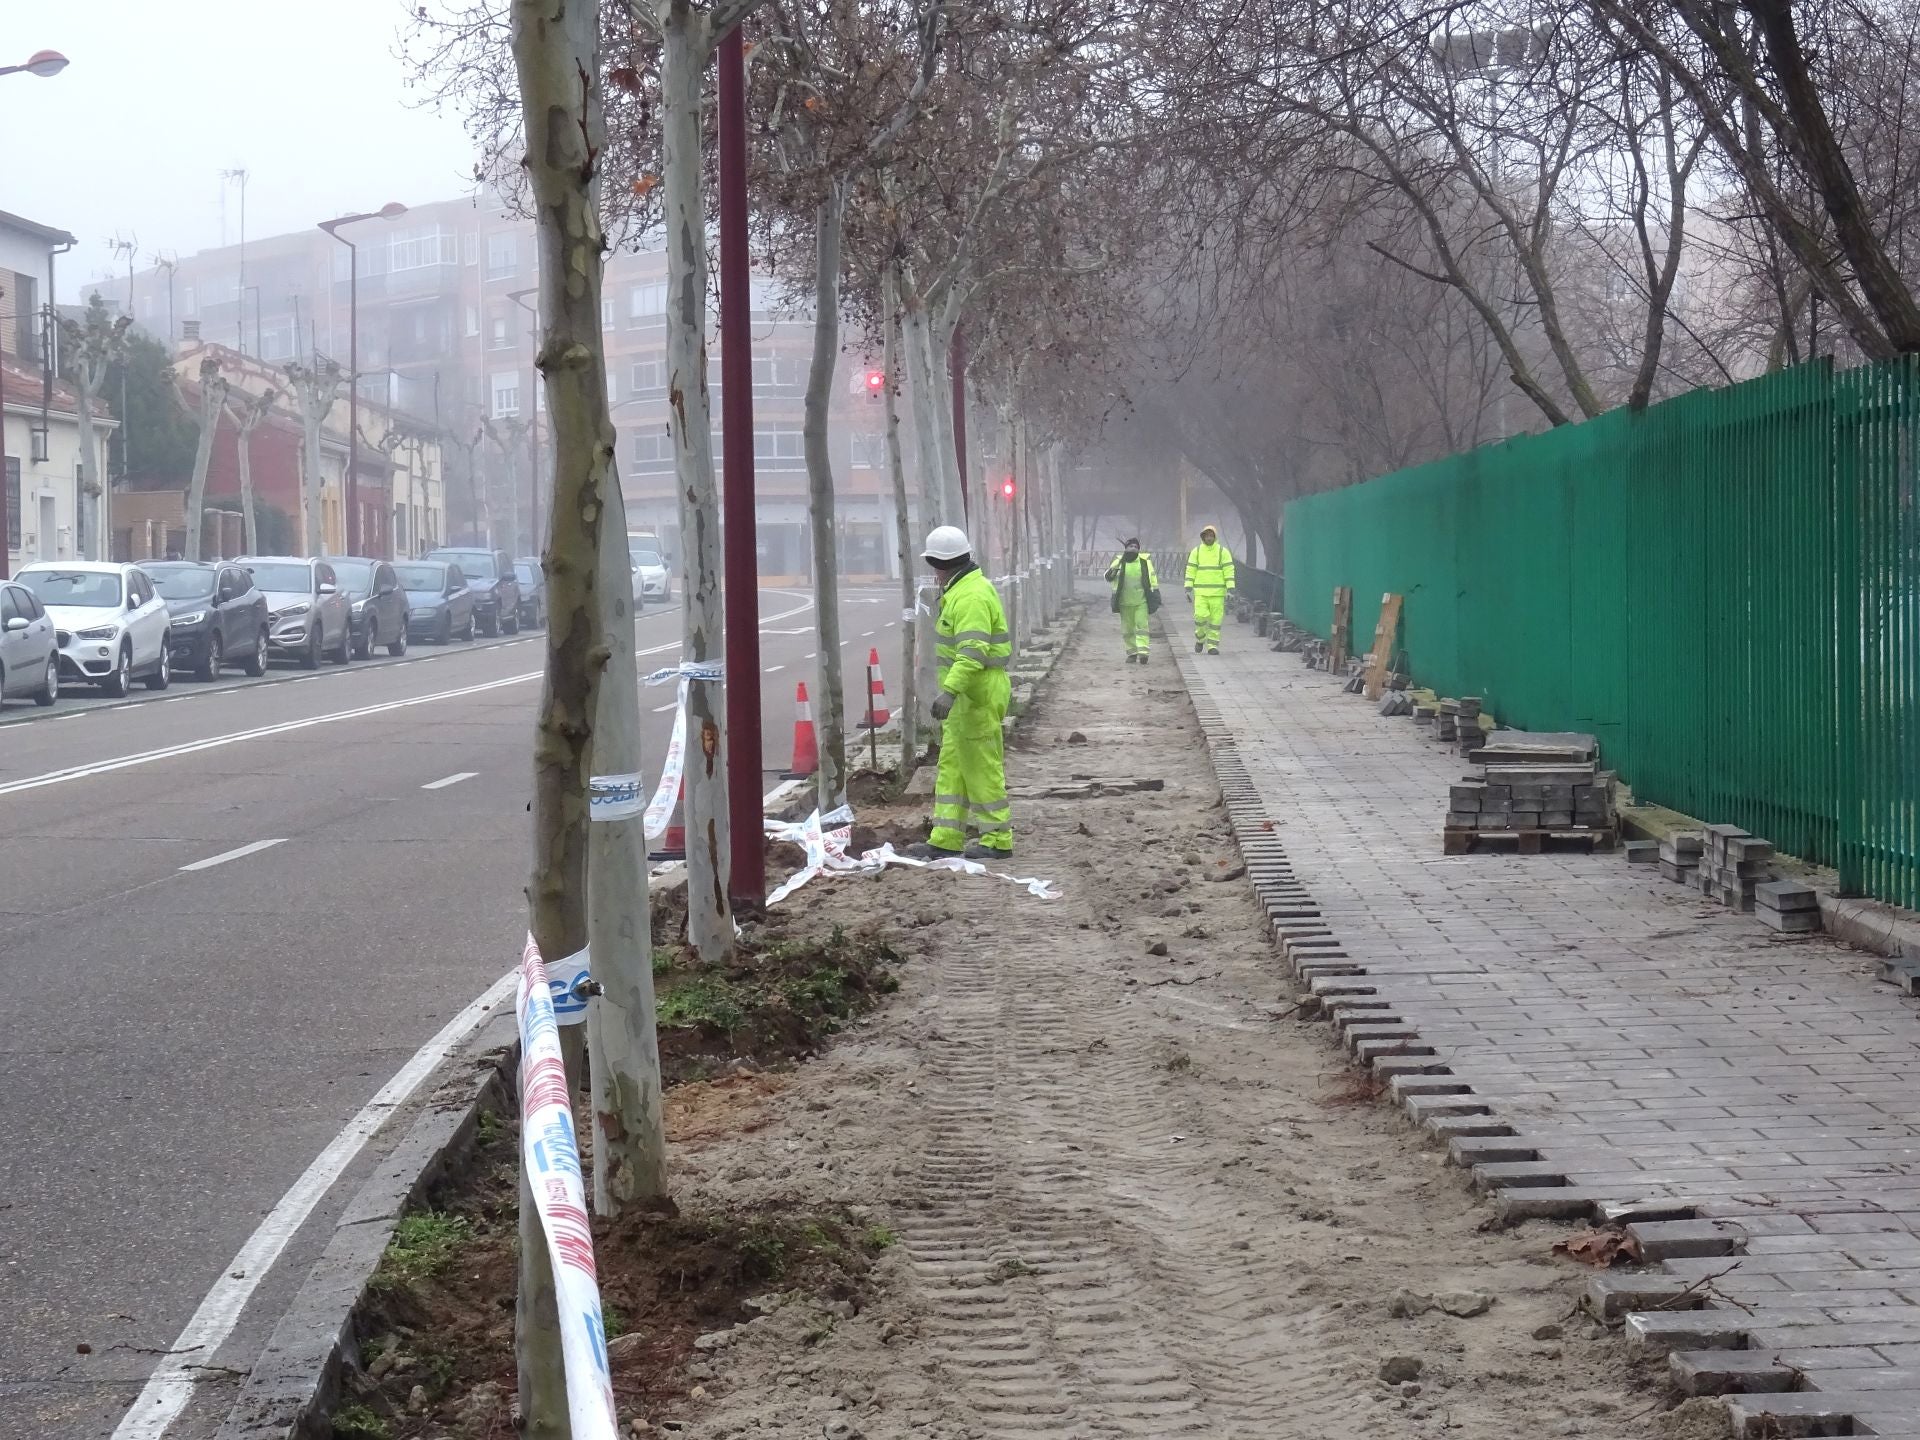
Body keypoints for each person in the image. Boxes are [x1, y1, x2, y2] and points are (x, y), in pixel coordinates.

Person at [906, 524, 1014, 861]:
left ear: (938, 564)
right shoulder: (963, 589)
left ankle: (997, 839)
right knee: (953, 766)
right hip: (969, 696)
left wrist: (949, 692)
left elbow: (972, 652)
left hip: (975, 695)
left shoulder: (969, 596)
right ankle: (946, 837)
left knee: (981, 766)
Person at [1104, 537, 1159, 665]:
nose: (1133, 548)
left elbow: (1152, 578)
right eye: (1131, 546)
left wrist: (1156, 593)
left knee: (1142, 626)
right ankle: (1132, 653)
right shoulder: (1119, 561)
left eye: (1136, 547)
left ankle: (1144, 653)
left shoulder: (1144, 562)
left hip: (1141, 601)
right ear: (1126, 548)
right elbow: (1108, 576)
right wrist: (1116, 568)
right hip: (1124, 602)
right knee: (1127, 630)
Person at [1184, 523, 1235, 655]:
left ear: (1215, 537)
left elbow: (1229, 570)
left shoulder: (1222, 552)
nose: (1209, 538)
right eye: (1207, 535)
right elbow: (1191, 569)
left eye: (1211, 535)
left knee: (1215, 621)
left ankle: (1212, 646)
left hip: (1218, 594)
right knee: (1200, 617)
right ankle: (1200, 639)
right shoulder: (1197, 551)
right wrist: (1188, 587)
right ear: (1203, 537)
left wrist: (1230, 589)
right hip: (1200, 593)